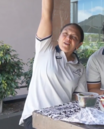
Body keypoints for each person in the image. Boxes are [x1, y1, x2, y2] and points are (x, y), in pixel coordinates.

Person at [19, 0, 87, 128]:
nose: (68, 38)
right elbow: (46, 15)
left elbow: (79, 97)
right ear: (58, 37)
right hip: (36, 116)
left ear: (79, 45)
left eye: (74, 37)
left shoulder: (80, 68)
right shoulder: (45, 50)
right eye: (65, 34)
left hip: (62, 119)